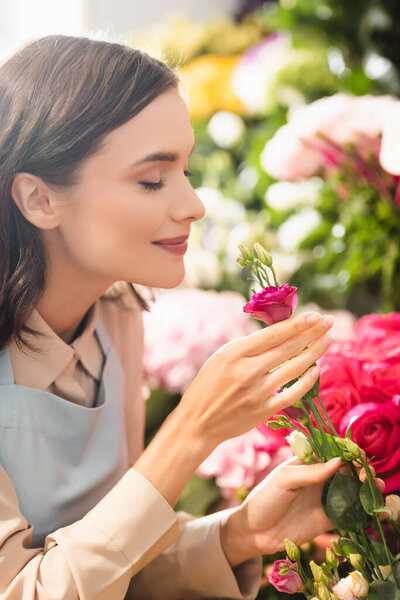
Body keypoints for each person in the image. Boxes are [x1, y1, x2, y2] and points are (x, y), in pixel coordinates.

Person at [0, 34, 340, 600]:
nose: (194, 206)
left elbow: (108, 566)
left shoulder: (115, 318)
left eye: (185, 170)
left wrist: (239, 533)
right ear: (39, 199)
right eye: (152, 180)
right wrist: (192, 429)